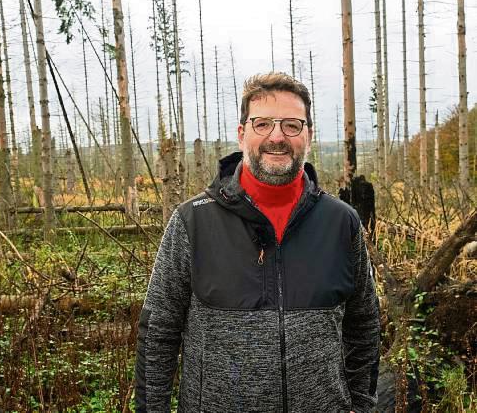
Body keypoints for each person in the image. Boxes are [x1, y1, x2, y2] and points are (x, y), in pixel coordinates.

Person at [134, 72, 380, 413]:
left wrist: (362, 404)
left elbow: (364, 323)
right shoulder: (193, 221)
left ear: (308, 135)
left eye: (292, 125)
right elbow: (158, 330)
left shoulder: (341, 222)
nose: (276, 137)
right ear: (242, 134)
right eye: (262, 123)